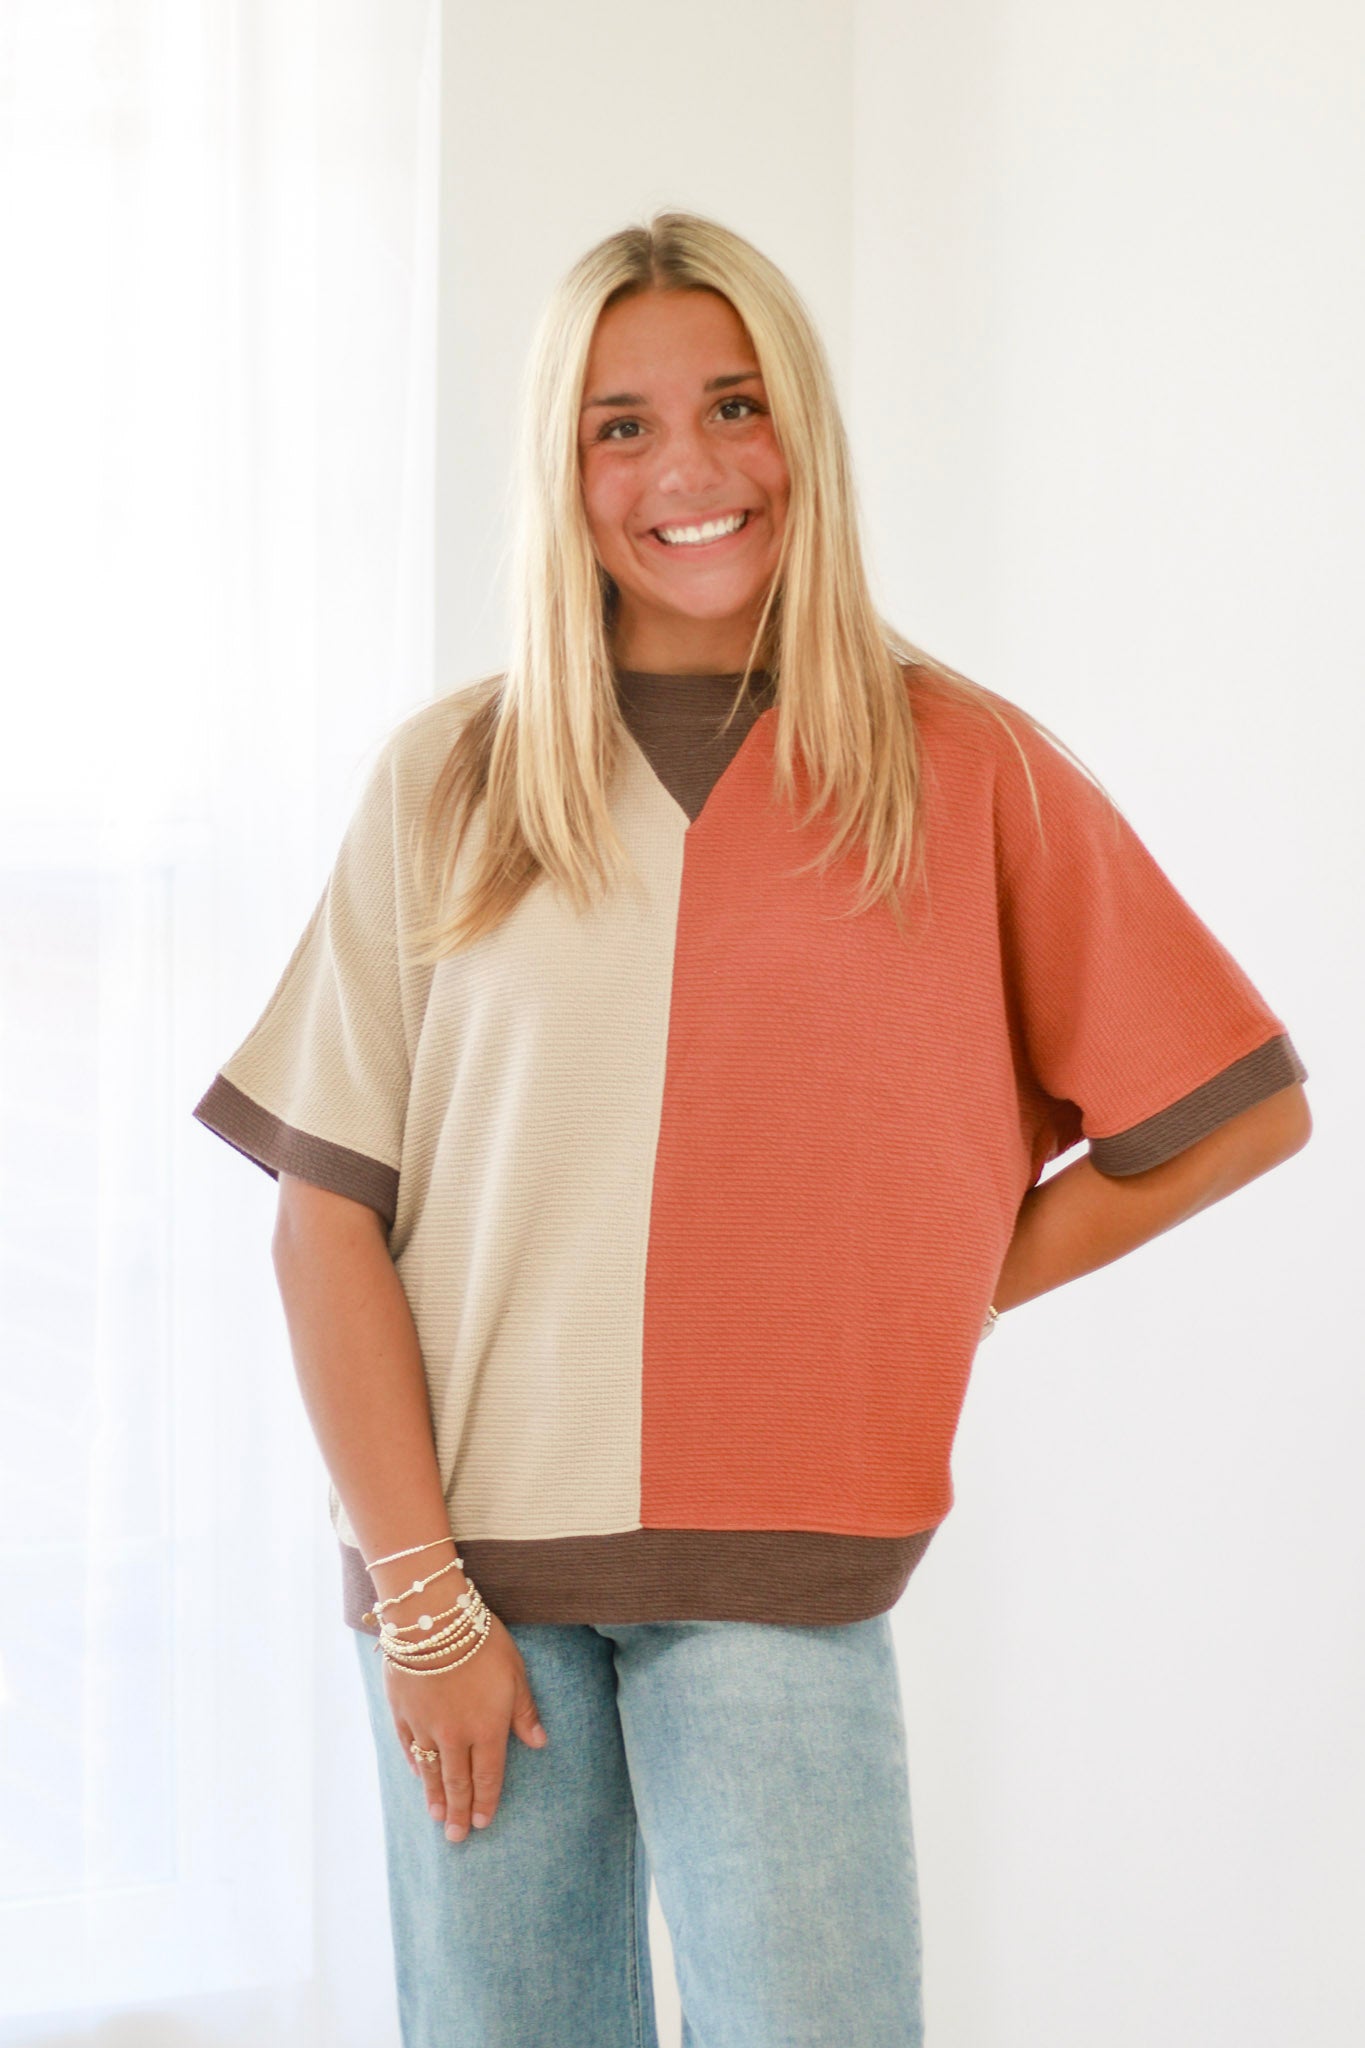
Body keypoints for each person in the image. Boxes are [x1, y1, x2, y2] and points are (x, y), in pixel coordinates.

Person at [192, 210, 1311, 2047]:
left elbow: (1228, 1114)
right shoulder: (448, 778)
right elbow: (323, 1220)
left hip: (784, 1584)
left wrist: (932, 1285)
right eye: (619, 425)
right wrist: (422, 1608)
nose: (689, 469)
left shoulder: (963, 766)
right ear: (561, 467)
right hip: (469, 1591)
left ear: (803, 428)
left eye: (734, 404)